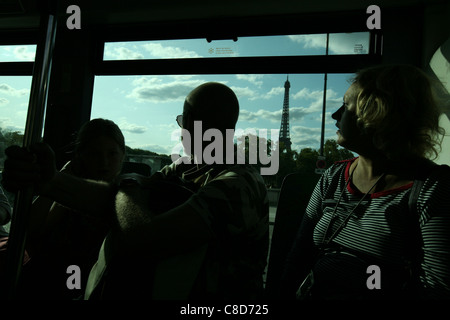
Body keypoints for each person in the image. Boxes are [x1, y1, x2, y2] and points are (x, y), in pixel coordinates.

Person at [2, 82, 269, 300]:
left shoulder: (237, 185)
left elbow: (145, 236)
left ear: (190, 124)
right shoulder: (188, 168)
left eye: (182, 123)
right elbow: (120, 203)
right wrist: (51, 181)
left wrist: (128, 184)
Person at [280, 64, 450, 300]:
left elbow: (437, 290)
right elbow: (298, 256)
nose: (335, 114)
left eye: (346, 105)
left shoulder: (432, 189)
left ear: (377, 114)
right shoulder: (333, 176)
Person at [17, 118, 126, 299]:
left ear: (122, 155)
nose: (104, 163)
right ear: (80, 155)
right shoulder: (67, 199)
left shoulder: (126, 196)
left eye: (112, 154)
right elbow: (29, 230)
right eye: (94, 154)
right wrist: (61, 177)